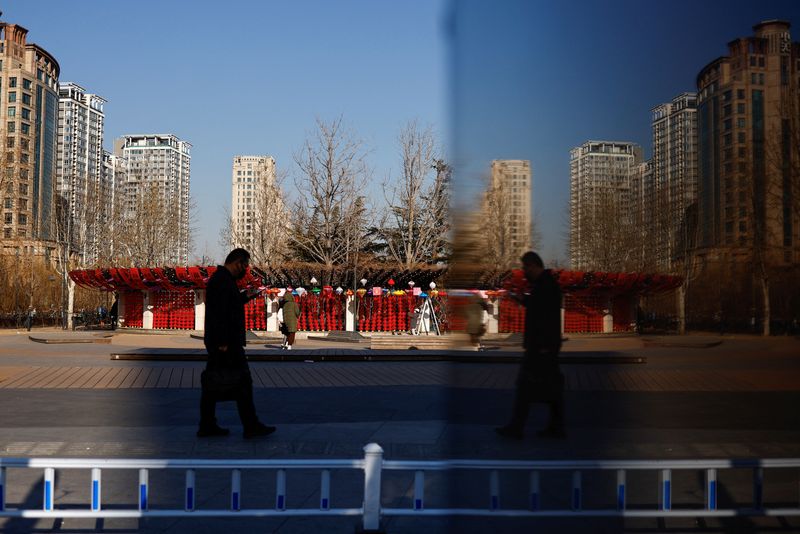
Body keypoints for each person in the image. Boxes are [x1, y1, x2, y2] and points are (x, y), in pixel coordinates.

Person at [198, 248, 275, 439]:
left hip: (222, 341)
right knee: (240, 382)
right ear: (237, 262)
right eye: (245, 265)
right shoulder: (222, 281)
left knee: (216, 383)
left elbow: (227, 305)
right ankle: (250, 425)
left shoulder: (222, 280)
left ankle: (209, 425)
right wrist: (223, 341)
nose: (245, 270)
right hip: (225, 342)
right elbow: (220, 313)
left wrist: (244, 297)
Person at [496, 251, 565, 440]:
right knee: (550, 388)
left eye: (526, 267)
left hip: (541, 347)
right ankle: (555, 427)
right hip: (544, 346)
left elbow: (545, 316)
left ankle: (517, 428)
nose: (524, 271)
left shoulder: (546, 285)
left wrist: (543, 346)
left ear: (534, 265)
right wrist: (521, 299)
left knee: (526, 387)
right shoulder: (545, 283)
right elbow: (537, 306)